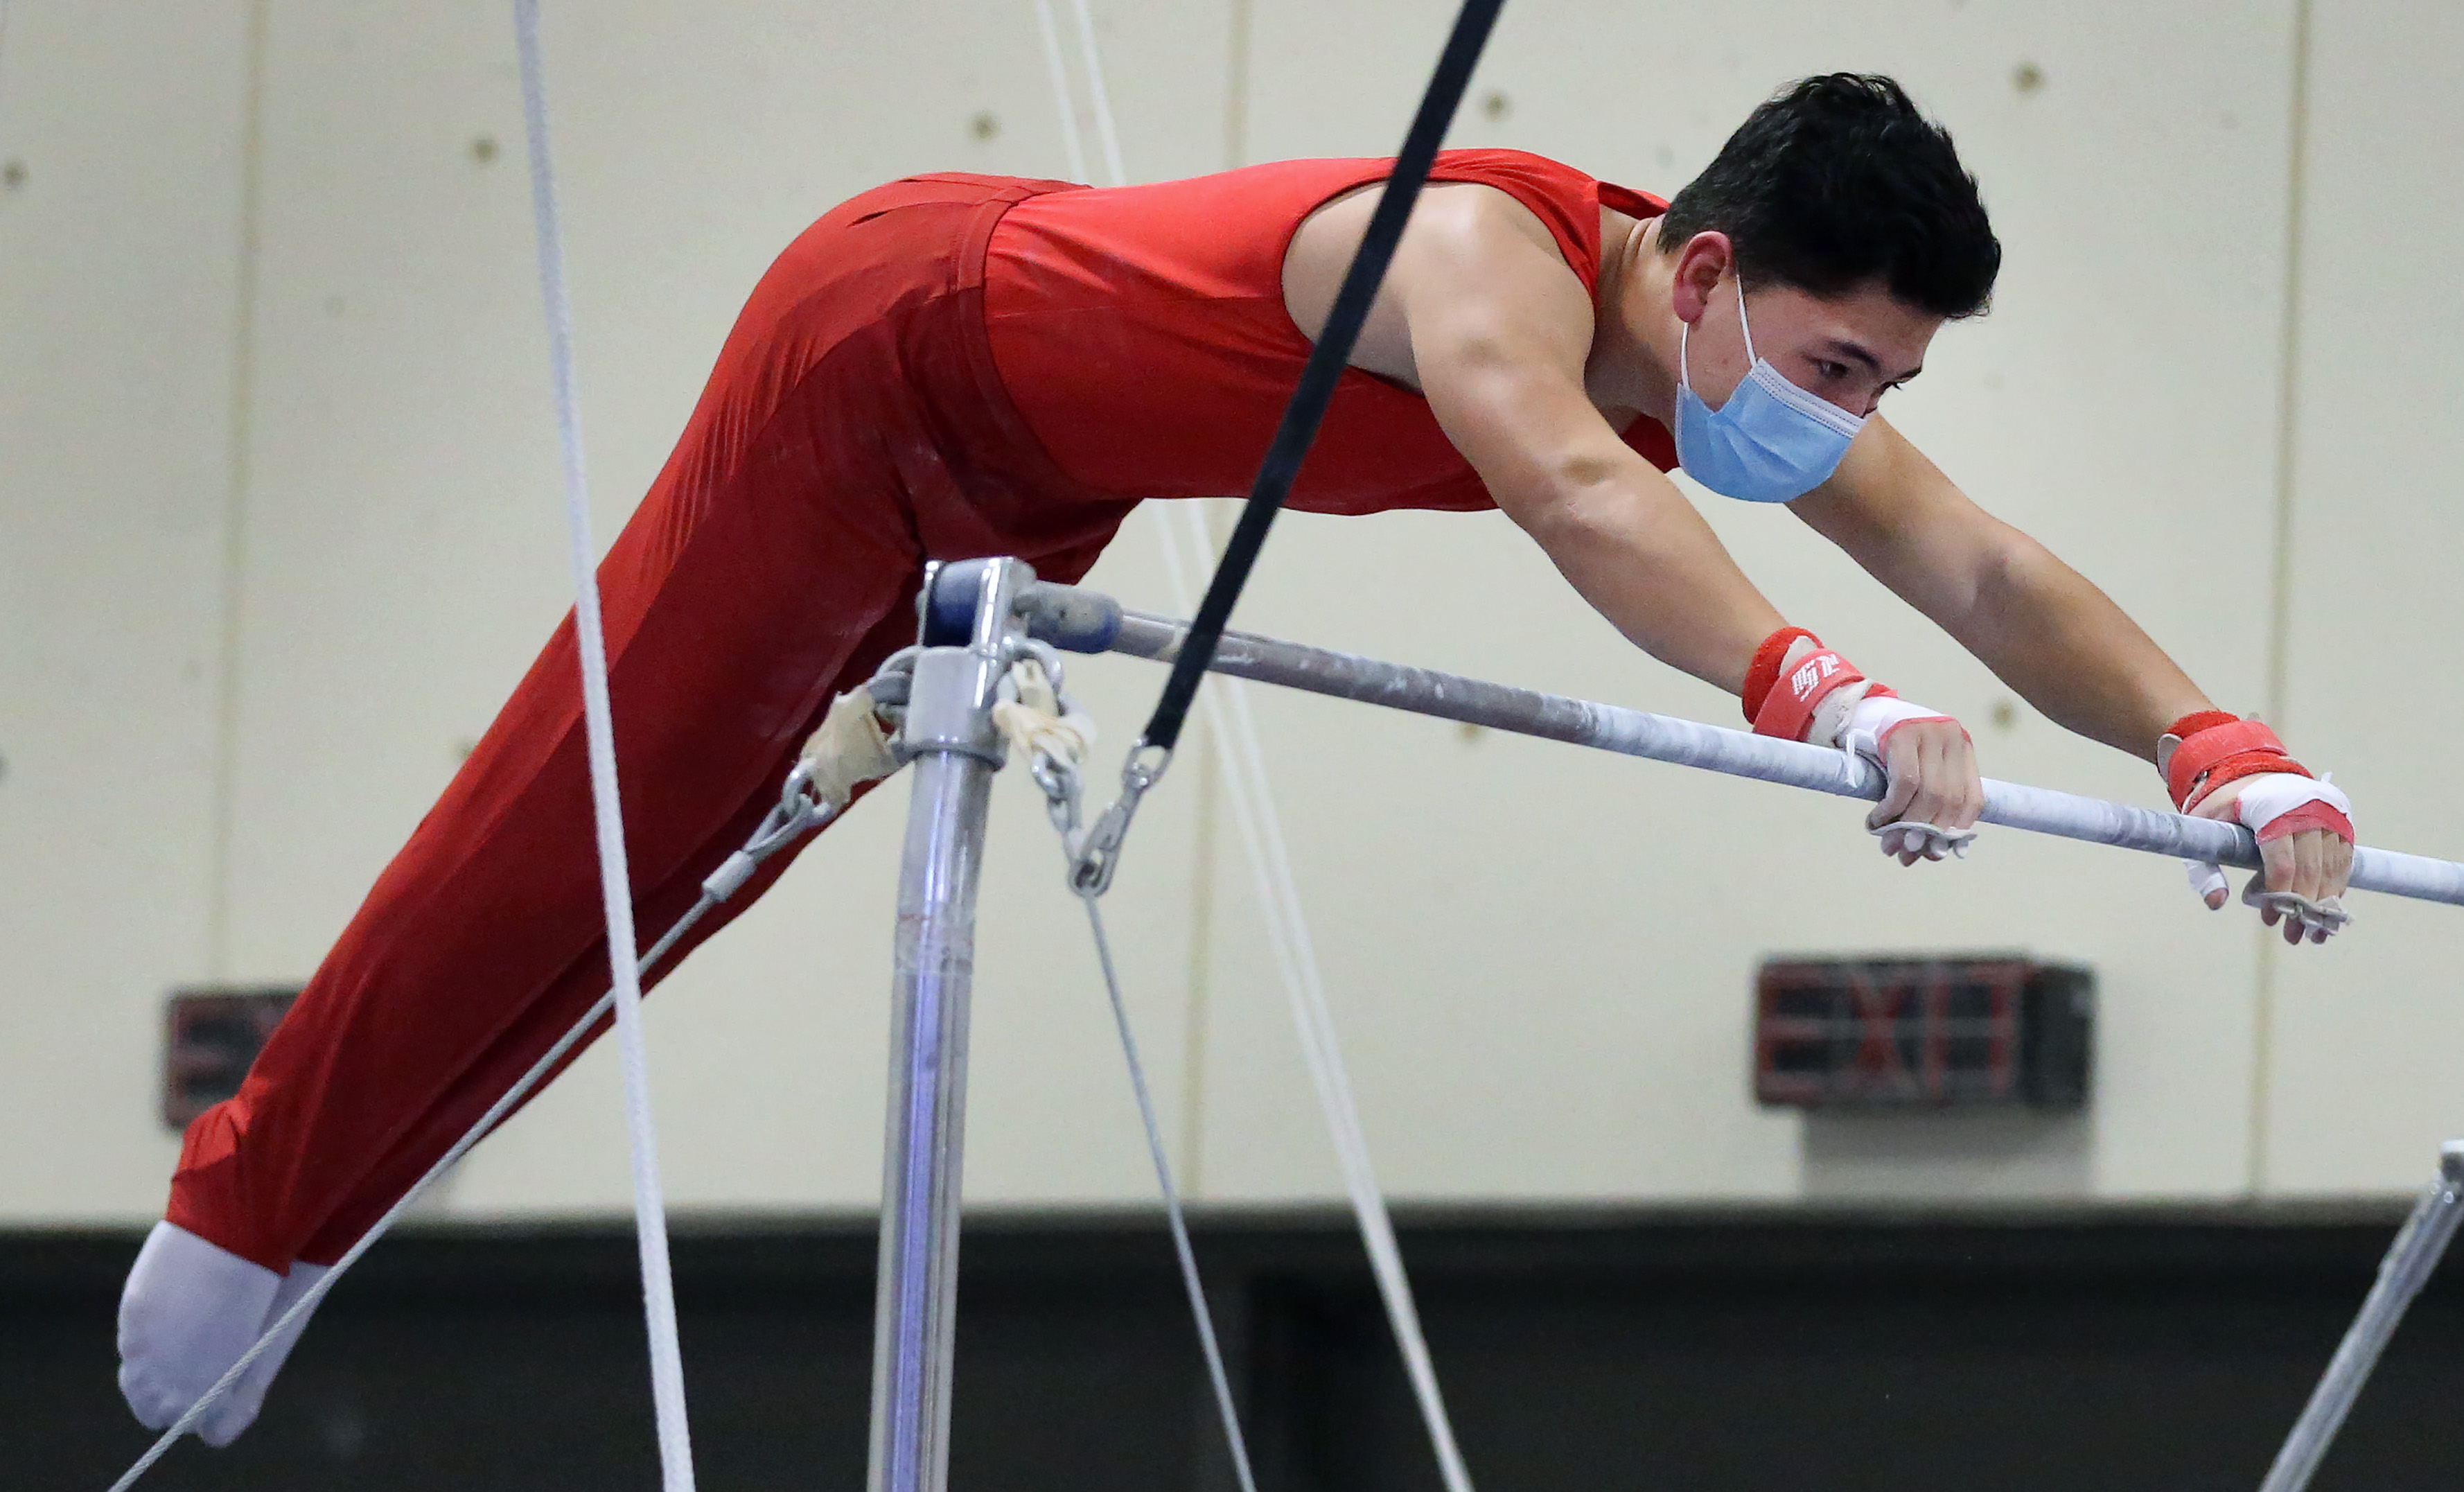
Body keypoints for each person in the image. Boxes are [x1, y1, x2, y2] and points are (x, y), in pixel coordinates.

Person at [118, 71, 2355, 1443]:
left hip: (1022, 489)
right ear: (1695, 273)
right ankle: (252, 1201)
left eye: (1881, 385)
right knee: (619, 811)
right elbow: (1580, 501)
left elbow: (1977, 567)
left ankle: (323, 1216)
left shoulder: (1728, 375)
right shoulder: (1475, 255)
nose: (1849, 421)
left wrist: (2217, 750)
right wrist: (1810, 696)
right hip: (878, 348)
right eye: (1838, 361)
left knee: (729, 860)